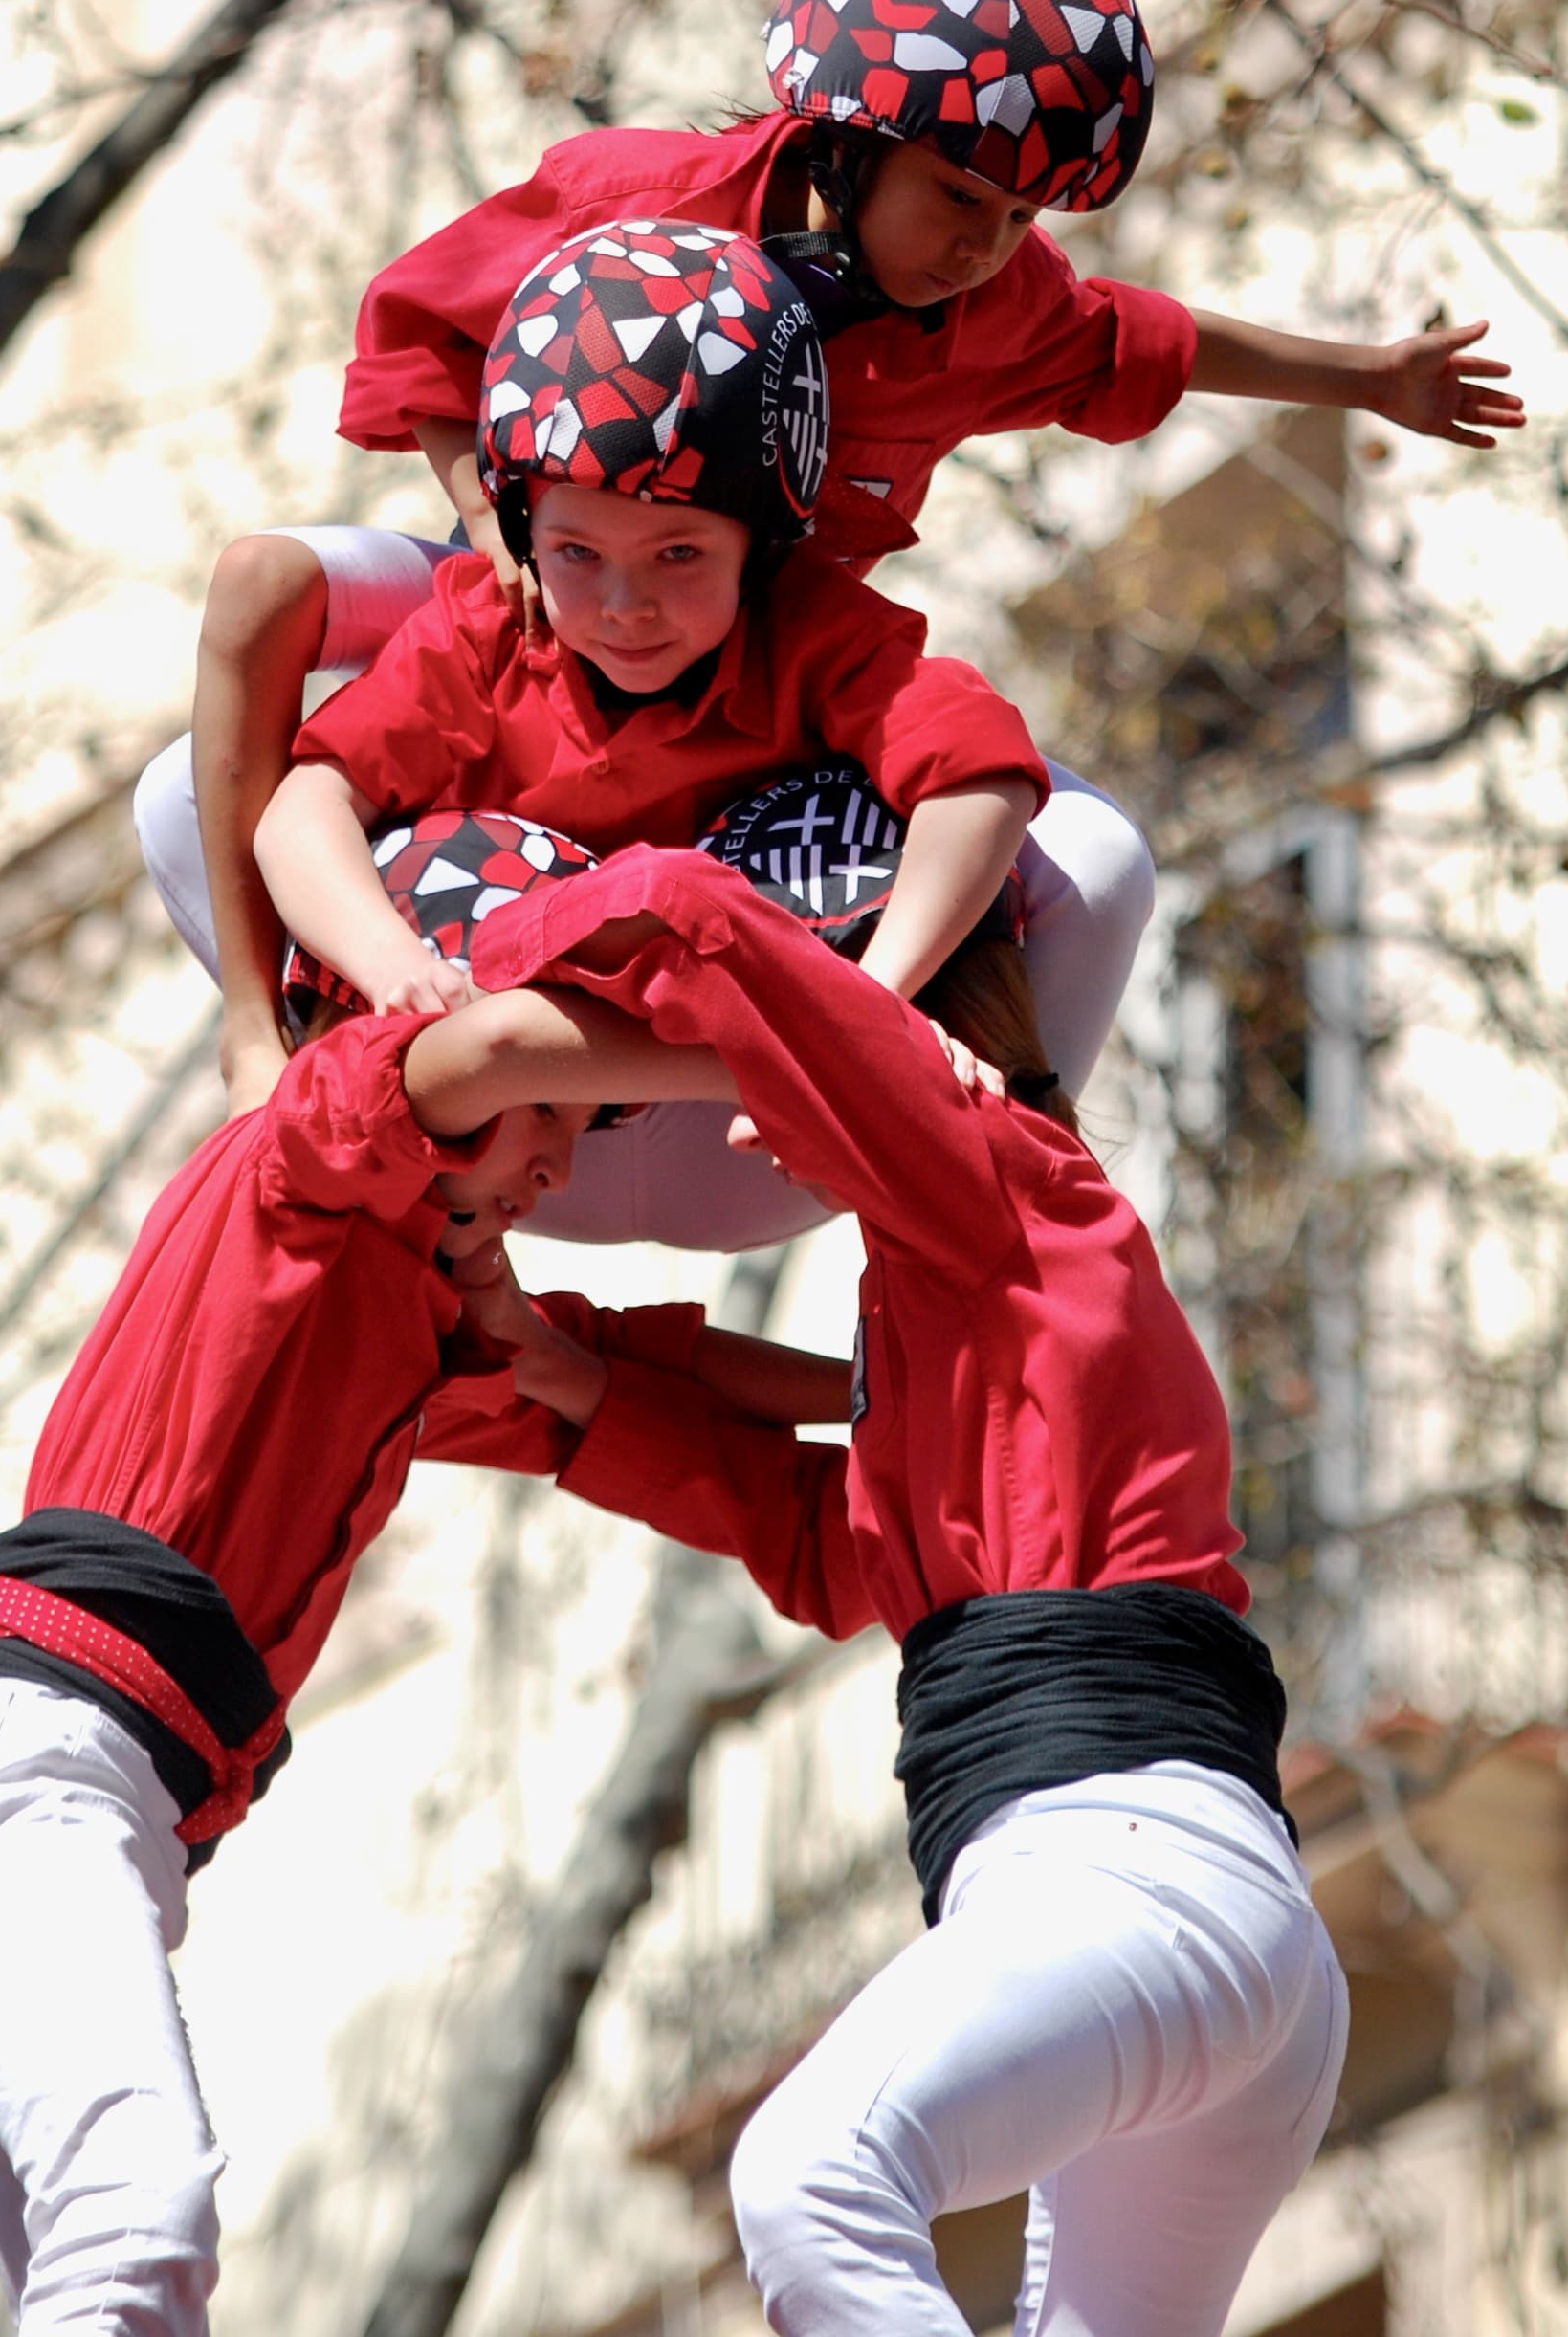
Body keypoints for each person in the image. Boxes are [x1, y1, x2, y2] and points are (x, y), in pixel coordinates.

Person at [138, 0, 1522, 1161]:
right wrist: (497, 533)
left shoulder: (997, 303)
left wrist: (1371, 380)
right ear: (850, 143)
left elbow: (1139, 340)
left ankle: (1010, 1161)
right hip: (556, 587)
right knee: (260, 594)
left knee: (1095, 867)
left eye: (1026, 213)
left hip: (773, 654)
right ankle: (259, 1030)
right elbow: (423, 337)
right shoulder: (641, 204)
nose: (987, 245)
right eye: (962, 197)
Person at [0, 897, 852, 2337]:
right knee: (137, 2221)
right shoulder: (303, 1156)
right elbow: (484, 1041)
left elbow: (641, 1377)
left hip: (55, 1792)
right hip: (31, 1765)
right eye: (559, 1113)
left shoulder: (399, 1324)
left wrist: (890, 1384)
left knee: (115, 2285)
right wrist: (820, 1054)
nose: (565, 1158)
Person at [417, 835, 1351, 2337]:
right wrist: (572, 1379)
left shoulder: (994, 1181)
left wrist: (450, 987)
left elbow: (699, 917)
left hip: (1130, 1883)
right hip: (1203, 1926)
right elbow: (834, 1545)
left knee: (810, 2181)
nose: (723, 1124)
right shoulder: (973, 1284)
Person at [253, 219, 1050, 1246]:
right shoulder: (491, 630)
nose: (626, 604)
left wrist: (868, 1005)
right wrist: (390, 960)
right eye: (576, 550)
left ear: (762, 545)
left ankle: (1000, 1136)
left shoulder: (806, 623)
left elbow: (982, 776)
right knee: (426, 860)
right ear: (522, 531)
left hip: (749, 1116)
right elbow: (301, 809)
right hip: (510, 1099)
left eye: (678, 552)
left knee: (891, 830)